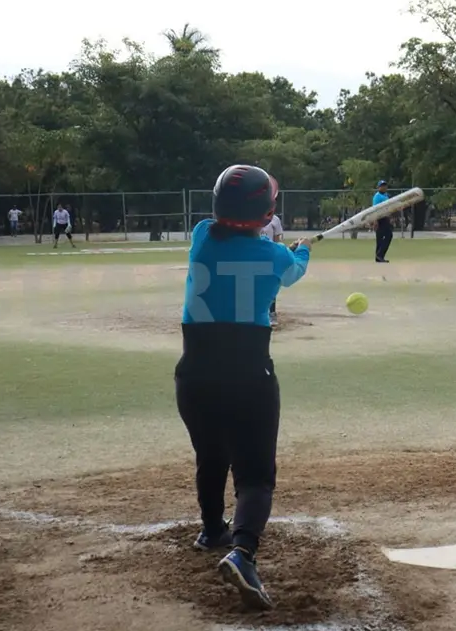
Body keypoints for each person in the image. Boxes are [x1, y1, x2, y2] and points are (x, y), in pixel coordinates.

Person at [176, 164, 312, 612]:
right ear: (265, 213)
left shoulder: (201, 235)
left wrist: (279, 249)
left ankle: (211, 528)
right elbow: (292, 273)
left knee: (211, 454)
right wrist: (302, 252)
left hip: (194, 376)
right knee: (255, 475)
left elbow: (238, 241)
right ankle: (243, 551)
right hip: (249, 375)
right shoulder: (276, 257)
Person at [259, 213, 285, 327]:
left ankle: (272, 313)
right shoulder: (249, 216)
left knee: (270, 285)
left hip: (269, 257)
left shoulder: (274, 220)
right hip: (254, 255)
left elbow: (277, 240)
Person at [372, 180, 393, 263]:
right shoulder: (377, 196)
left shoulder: (386, 195)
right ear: (379, 187)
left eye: (385, 185)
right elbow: (375, 209)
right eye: (382, 186)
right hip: (380, 218)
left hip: (385, 218)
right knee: (383, 237)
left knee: (385, 237)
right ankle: (379, 255)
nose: (384, 187)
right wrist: (375, 220)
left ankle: (379, 256)